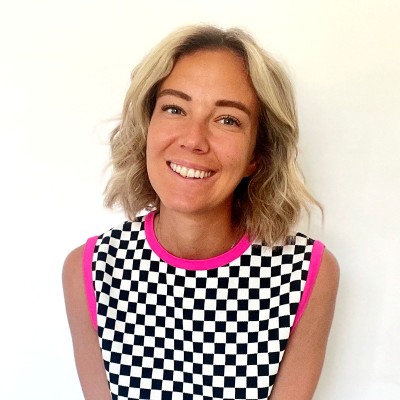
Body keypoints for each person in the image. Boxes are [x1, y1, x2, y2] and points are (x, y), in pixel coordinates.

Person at [63, 25, 339, 400]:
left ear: (256, 155)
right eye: (174, 109)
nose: (194, 139)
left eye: (227, 119)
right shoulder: (91, 270)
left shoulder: (307, 273)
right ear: (147, 128)